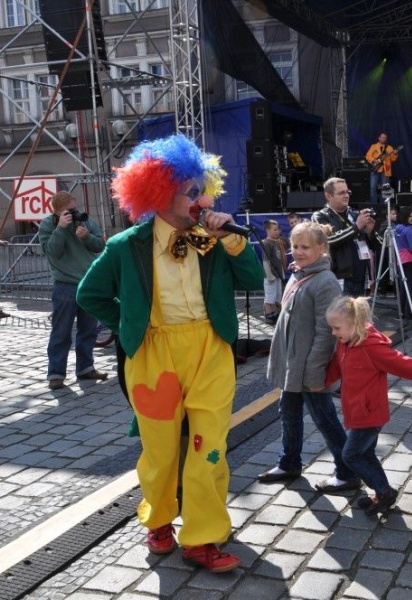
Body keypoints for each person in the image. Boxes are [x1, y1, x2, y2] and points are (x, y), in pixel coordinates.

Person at [77, 134, 264, 573]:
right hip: (154, 353)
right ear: (160, 191)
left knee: (209, 445)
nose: (202, 199)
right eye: (192, 190)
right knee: (160, 449)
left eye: (204, 189)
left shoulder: (213, 239)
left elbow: (254, 279)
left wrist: (233, 240)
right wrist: (131, 325)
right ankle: (159, 519)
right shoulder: (127, 246)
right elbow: (90, 294)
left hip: (211, 348)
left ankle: (202, 537)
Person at [259, 221, 361, 494]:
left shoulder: (325, 282)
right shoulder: (300, 273)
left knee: (325, 419)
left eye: (305, 247)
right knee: (289, 411)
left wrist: (315, 370)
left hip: (308, 368)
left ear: (321, 248)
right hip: (295, 365)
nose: (299, 251)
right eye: (295, 246)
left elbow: (326, 333)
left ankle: (348, 471)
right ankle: (289, 462)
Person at [325, 295, 412, 514]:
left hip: (370, 414)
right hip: (356, 411)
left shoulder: (372, 347)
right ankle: (381, 494)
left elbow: (403, 365)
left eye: (337, 328)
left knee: (351, 455)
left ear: (355, 325)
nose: (333, 333)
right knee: (366, 454)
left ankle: (384, 490)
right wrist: (320, 382)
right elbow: (336, 367)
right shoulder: (345, 343)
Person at [38, 191, 108, 390]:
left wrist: (86, 237)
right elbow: (53, 252)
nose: (74, 213)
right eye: (69, 210)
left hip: (88, 282)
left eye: (75, 208)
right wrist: (61, 228)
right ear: (58, 211)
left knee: (88, 330)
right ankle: (56, 373)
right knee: (61, 331)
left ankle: (85, 367)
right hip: (65, 285)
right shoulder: (47, 225)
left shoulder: (85, 222)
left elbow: (99, 245)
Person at [312, 177, 375, 297]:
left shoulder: (354, 214)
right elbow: (327, 242)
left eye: (348, 192)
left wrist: (370, 233)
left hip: (362, 278)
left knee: (359, 316)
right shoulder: (320, 216)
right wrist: (356, 227)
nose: (346, 196)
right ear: (329, 196)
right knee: (341, 315)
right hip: (339, 278)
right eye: (341, 193)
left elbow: (376, 246)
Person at [260, 219, 286, 323]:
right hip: (270, 275)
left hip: (278, 274)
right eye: (274, 229)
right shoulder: (266, 243)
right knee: (270, 296)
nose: (277, 231)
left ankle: (275, 313)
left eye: (278, 229)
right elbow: (266, 260)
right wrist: (269, 275)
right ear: (267, 230)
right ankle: (268, 314)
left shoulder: (276, 242)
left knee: (277, 295)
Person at [394, 205, 412, 317]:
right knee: (410, 286)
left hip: (399, 259)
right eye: (410, 216)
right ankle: (409, 312)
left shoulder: (396, 228)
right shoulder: (408, 230)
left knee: (402, 286)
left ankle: (401, 311)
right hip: (410, 259)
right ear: (405, 217)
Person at [365, 132, 399, 203]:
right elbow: (368, 156)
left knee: (386, 188)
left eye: (385, 138)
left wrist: (395, 154)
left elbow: (392, 159)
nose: (384, 139)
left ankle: (384, 205)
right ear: (379, 138)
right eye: (383, 137)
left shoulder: (389, 148)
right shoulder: (373, 146)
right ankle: (373, 204)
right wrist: (375, 160)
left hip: (385, 170)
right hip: (375, 169)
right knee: (372, 188)